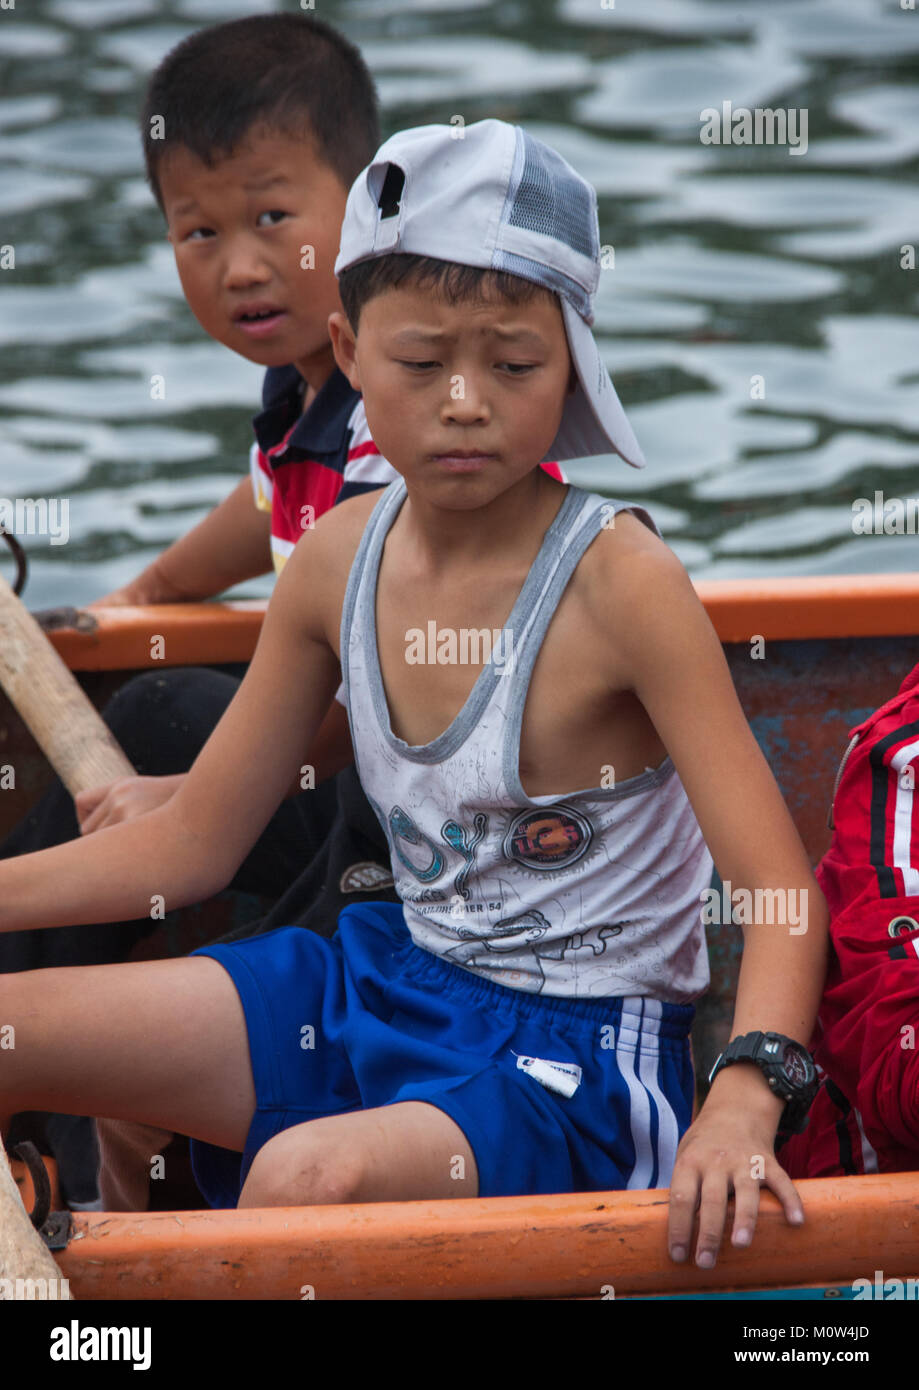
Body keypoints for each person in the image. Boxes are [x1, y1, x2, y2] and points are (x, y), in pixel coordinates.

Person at [0, 119, 828, 1270]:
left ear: (575, 359)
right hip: (385, 972)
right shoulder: (336, 558)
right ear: (344, 348)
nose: (466, 401)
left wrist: (746, 1097)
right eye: (423, 361)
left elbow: (778, 889)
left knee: (304, 1182)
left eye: (515, 363)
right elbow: (187, 846)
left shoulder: (624, 582)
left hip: (577, 1066)